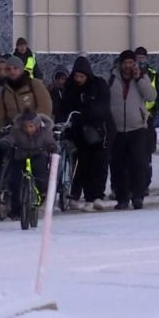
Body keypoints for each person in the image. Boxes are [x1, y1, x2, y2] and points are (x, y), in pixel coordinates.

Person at [108, 50, 156, 210]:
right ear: (120, 64)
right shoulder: (112, 79)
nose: (128, 66)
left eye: (131, 63)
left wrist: (140, 79)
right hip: (118, 129)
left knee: (139, 163)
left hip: (137, 128)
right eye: (125, 63)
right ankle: (122, 198)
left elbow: (151, 96)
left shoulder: (142, 77)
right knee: (118, 166)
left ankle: (138, 196)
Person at [64, 56, 111, 211]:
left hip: (99, 131)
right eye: (76, 76)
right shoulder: (71, 88)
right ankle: (88, 195)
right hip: (80, 133)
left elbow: (103, 107)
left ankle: (97, 195)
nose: (78, 79)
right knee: (83, 164)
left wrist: (88, 111)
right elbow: (65, 108)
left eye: (81, 76)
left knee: (99, 164)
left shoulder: (99, 85)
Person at [0, 110, 57, 220]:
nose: (28, 129)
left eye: (31, 126)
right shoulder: (17, 131)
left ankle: (40, 195)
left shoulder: (44, 132)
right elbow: (10, 138)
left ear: (37, 125)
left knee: (40, 175)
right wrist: (5, 143)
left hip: (38, 155)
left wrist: (52, 147)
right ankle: (16, 209)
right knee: (15, 182)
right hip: (21, 156)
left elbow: (50, 141)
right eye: (25, 126)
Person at [135, 47, 159, 193]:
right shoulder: (129, 75)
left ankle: (144, 185)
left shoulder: (154, 75)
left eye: (143, 57)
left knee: (146, 153)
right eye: (138, 57)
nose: (140, 60)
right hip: (132, 118)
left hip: (149, 118)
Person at [0, 55, 53, 127]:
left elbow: (45, 106)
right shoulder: (5, 91)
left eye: (15, 68)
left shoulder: (34, 84)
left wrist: (34, 122)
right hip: (15, 132)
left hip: (36, 130)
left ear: (21, 69)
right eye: (9, 69)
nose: (12, 72)